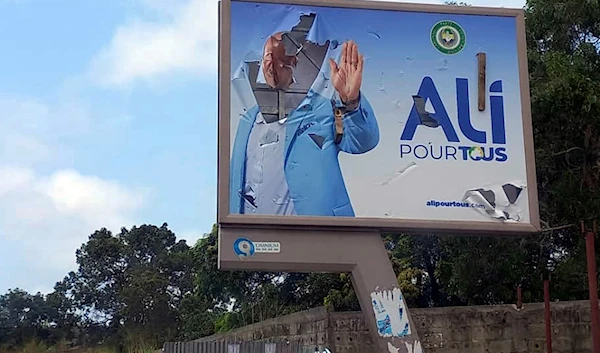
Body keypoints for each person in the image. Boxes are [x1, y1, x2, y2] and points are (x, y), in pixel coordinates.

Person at [229, 27, 380, 217]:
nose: (270, 66)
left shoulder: (323, 108)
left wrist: (351, 101)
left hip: (319, 237)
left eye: (279, 61)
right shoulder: (248, 119)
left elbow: (363, 142)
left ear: (294, 63)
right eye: (267, 59)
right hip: (254, 240)